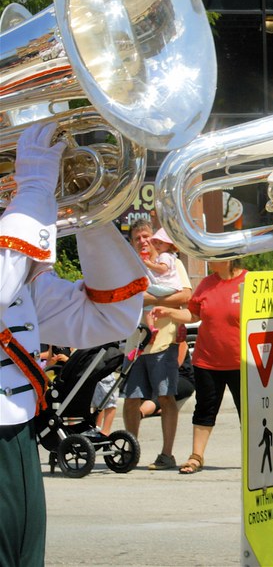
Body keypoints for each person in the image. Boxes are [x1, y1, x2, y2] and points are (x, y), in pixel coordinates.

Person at [0, 122, 147, 565]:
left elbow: (108, 316)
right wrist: (36, 188)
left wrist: (90, 213)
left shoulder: (18, 267)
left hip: (16, 437)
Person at [152, 258, 247, 474]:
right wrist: (169, 312)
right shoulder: (206, 283)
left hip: (243, 363)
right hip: (208, 360)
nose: (208, 259)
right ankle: (196, 456)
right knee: (205, 409)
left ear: (229, 258)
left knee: (249, 413)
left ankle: (255, 458)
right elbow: (193, 315)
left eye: (213, 255)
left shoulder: (249, 282)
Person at [122, 218, 192, 470]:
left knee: (165, 396)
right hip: (135, 343)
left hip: (164, 342)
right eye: (137, 238)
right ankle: (130, 450)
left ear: (155, 239)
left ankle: (166, 454)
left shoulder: (172, 263)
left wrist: (146, 298)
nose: (142, 241)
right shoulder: (130, 267)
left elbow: (186, 295)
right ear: (131, 243)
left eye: (146, 236)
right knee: (131, 399)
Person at [139, 227, 182, 331]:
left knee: (142, 291)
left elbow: (162, 269)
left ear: (169, 244)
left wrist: (149, 264)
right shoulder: (170, 256)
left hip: (166, 286)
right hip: (171, 287)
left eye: (161, 243)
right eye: (156, 243)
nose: (157, 246)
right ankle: (152, 328)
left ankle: (151, 327)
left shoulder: (164, 255)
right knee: (148, 306)